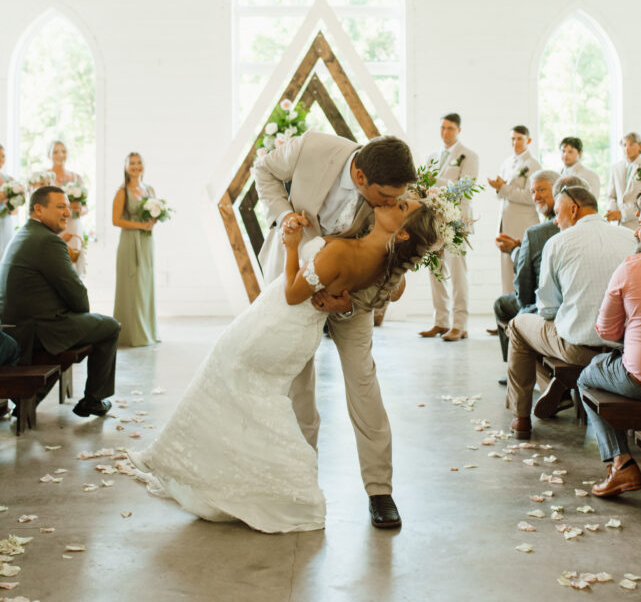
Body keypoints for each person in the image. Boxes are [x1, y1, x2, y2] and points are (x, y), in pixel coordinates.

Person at [130, 196, 439, 533]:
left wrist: (292, 246)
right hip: (293, 327)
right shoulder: (377, 254)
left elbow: (294, 294)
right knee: (258, 402)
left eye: (402, 205)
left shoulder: (355, 246)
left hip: (279, 324)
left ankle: (295, 487)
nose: (393, 199)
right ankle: (250, 481)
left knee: (233, 389)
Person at [253, 132, 416, 529]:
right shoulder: (312, 147)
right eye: (382, 196)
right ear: (359, 176)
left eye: (396, 197)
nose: (390, 204)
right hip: (296, 275)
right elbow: (264, 169)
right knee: (298, 381)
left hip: (356, 293)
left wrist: (352, 302)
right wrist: (282, 214)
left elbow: (394, 265)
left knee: (363, 380)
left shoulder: (396, 190)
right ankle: (302, 478)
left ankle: (380, 489)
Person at [505, 182, 635, 440]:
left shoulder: (557, 242)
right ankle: (559, 386)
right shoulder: (631, 237)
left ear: (574, 210)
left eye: (558, 212)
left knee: (519, 326)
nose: (555, 221)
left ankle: (521, 418)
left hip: (579, 351)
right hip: (626, 350)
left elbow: (547, 308)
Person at [578, 185, 641, 498]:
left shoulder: (631, 267)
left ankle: (621, 463)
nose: (637, 232)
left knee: (588, 376)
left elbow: (607, 333)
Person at [0, 185, 119, 417]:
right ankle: (93, 400)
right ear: (38, 209)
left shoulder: (24, 234)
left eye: (67, 207)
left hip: (16, 326)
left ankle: (33, 398)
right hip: (39, 330)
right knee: (110, 326)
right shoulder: (48, 242)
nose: (67, 212)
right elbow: (79, 299)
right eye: (60, 207)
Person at [492, 169, 562, 371]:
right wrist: (521, 248)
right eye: (533, 192)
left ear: (558, 192)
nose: (536, 196)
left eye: (541, 190)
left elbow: (524, 289)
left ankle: (516, 367)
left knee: (503, 304)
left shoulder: (539, 231)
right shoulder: (541, 229)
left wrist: (514, 251)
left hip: (547, 307)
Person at [419, 112, 479, 341]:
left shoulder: (469, 156)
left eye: (450, 128)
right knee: (435, 272)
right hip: (434, 221)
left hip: (457, 221)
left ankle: (460, 325)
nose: (445, 132)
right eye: (442, 128)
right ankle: (441, 321)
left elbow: (465, 186)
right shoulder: (432, 156)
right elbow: (424, 185)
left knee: (457, 273)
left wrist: (437, 184)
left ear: (459, 130)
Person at [113, 152, 159, 348]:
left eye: (139, 163)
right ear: (125, 167)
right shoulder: (122, 191)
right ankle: (131, 334)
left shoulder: (149, 189)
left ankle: (148, 331)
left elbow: (155, 213)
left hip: (147, 242)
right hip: (130, 241)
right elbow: (116, 220)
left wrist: (152, 221)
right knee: (131, 285)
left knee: (145, 284)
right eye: (131, 163)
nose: (136, 166)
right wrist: (140, 226)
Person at [488, 125, 541, 294]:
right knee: (506, 272)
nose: (515, 142)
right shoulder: (506, 162)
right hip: (506, 222)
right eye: (512, 139)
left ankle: (522, 312)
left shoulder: (533, 165)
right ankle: (507, 311)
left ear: (528, 141)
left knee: (522, 269)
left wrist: (504, 188)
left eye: (519, 139)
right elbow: (502, 195)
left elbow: (530, 197)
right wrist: (498, 188)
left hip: (523, 224)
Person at [31, 140, 89, 277]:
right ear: (49, 155)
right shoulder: (44, 177)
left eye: (63, 151)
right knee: (54, 259)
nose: (60, 155)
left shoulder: (76, 178)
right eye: (56, 152)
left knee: (73, 261)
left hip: (73, 224)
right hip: (53, 224)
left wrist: (80, 210)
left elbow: (86, 207)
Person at [606, 132, 641, 231]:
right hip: (617, 226)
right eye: (624, 145)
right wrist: (612, 210)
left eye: (631, 144)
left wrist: (623, 214)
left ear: (640, 147)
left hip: (637, 225)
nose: (627, 148)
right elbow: (611, 196)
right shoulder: (616, 168)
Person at [559, 136, 600, 201]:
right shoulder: (558, 174)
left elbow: (593, 200)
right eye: (563, 151)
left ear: (580, 153)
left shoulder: (590, 175)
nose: (565, 155)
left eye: (570, 152)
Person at [0, 144, 22, 262]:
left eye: (3, 156)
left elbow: (15, 211)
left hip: (6, 223)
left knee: (6, 255)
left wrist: (11, 206)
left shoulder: (10, 180)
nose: (1, 159)